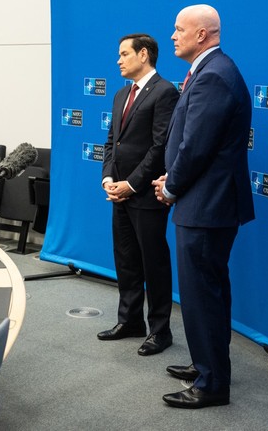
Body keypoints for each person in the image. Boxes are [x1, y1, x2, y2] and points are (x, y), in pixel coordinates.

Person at [152, 4, 254, 409]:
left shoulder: (214, 76)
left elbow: (196, 147)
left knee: (202, 294)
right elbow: (189, 140)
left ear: (202, 35)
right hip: (205, 201)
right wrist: (172, 180)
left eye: (180, 30)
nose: (172, 36)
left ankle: (212, 386)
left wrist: (171, 187)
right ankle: (207, 365)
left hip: (206, 205)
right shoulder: (211, 70)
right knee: (205, 292)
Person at [99, 34, 179, 357]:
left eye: (124, 54)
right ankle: (130, 320)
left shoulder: (165, 92)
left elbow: (160, 148)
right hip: (118, 193)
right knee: (126, 260)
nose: (118, 60)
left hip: (145, 195)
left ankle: (160, 330)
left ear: (143, 54)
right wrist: (108, 178)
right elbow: (110, 142)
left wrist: (131, 184)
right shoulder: (120, 95)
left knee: (153, 262)